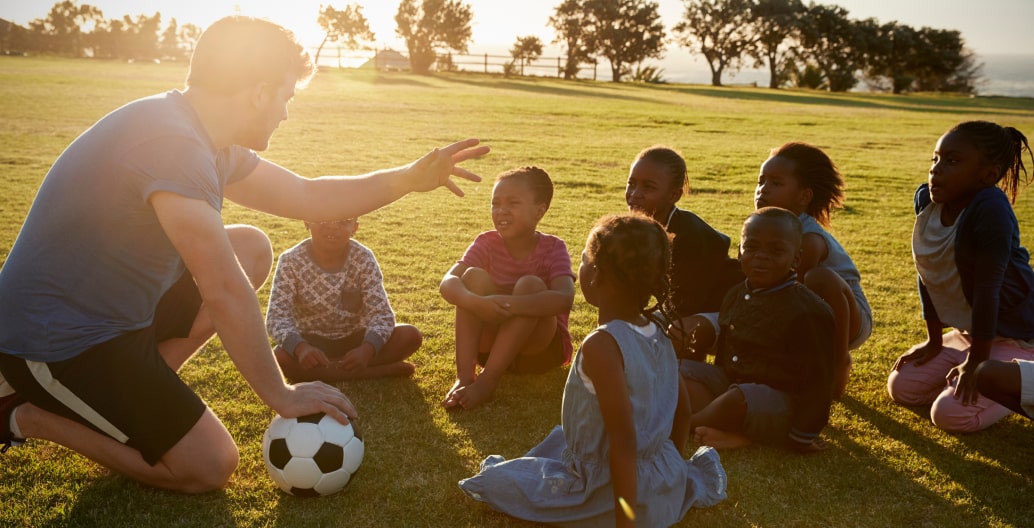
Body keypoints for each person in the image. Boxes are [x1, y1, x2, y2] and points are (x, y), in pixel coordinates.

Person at [0, 16, 488, 493]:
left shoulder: (207, 138)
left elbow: (308, 195)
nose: (285, 112)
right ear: (258, 91)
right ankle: (24, 415)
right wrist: (280, 392)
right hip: (53, 340)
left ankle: (138, 386)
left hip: (111, 312)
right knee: (209, 464)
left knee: (251, 247)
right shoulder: (173, 143)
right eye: (286, 96)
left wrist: (407, 179)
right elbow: (222, 287)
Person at [458, 213, 727, 527]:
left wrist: (626, 520)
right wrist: (672, 471)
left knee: (497, 482)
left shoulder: (603, 345)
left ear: (595, 275)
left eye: (583, 261)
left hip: (611, 494)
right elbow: (682, 412)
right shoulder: (659, 331)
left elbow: (623, 443)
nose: (578, 268)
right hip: (662, 485)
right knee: (560, 439)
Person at [888, 120, 1034, 433]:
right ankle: (973, 368)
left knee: (949, 415)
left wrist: (977, 362)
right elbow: (929, 269)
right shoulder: (927, 201)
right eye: (935, 159)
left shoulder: (990, 208)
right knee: (903, 387)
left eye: (952, 162)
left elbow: (987, 290)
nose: (936, 170)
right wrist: (934, 340)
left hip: (1018, 334)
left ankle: (1019, 381)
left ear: (988, 175)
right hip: (972, 331)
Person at [681, 207, 835, 452]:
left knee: (737, 398)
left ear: (796, 258)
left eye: (776, 250)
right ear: (740, 252)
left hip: (780, 404)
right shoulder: (735, 294)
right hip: (732, 384)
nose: (761, 256)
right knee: (679, 371)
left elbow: (820, 383)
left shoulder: (808, 311)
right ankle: (727, 429)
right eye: (752, 247)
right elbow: (725, 355)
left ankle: (681, 427)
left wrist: (801, 437)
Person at [440, 166, 575, 409]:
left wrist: (510, 306)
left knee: (530, 285)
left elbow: (564, 298)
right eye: (496, 203)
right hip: (490, 351)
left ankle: (487, 382)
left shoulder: (553, 248)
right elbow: (448, 283)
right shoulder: (486, 242)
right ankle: (465, 376)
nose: (501, 210)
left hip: (539, 352)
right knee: (472, 277)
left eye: (513, 203)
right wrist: (476, 302)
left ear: (539, 211)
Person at [754, 142, 872, 399]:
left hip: (848, 317)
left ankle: (838, 363)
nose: (763, 189)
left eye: (776, 183)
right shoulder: (761, 229)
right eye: (761, 181)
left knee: (817, 277)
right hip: (805, 313)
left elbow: (792, 290)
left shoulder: (809, 238)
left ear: (804, 197)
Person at [266, 217, 422, 383]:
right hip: (311, 342)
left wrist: (367, 350)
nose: (332, 227)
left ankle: (329, 371)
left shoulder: (363, 257)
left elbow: (382, 314)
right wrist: (301, 348)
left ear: (355, 227)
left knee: (410, 335)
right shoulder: (290, 260)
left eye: (343, 221)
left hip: (356, 339)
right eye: (323, 219)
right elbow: (277, 317)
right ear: (307, 222)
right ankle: (374, 371)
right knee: (279, 358)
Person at [624, 145, 743, 359]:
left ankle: (680, 375)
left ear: (673, 195)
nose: (635, 194)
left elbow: (684, 308)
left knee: (675, 331)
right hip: (685, 308)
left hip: (725, 313)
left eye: (648, 187)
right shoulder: (634, 228)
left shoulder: (690, 236)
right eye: (631, 183)